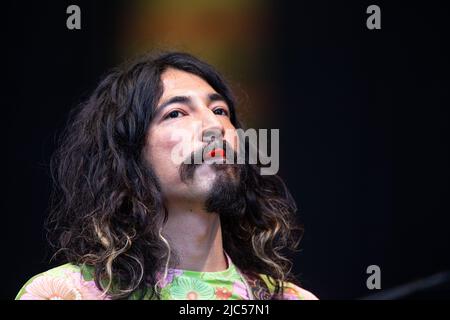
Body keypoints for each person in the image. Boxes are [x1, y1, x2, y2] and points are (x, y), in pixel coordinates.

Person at [15, 52, 318, 300]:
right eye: (176, 113)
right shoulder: (64, 294)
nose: (214, 126)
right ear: (127, 155)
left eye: (221, 111)